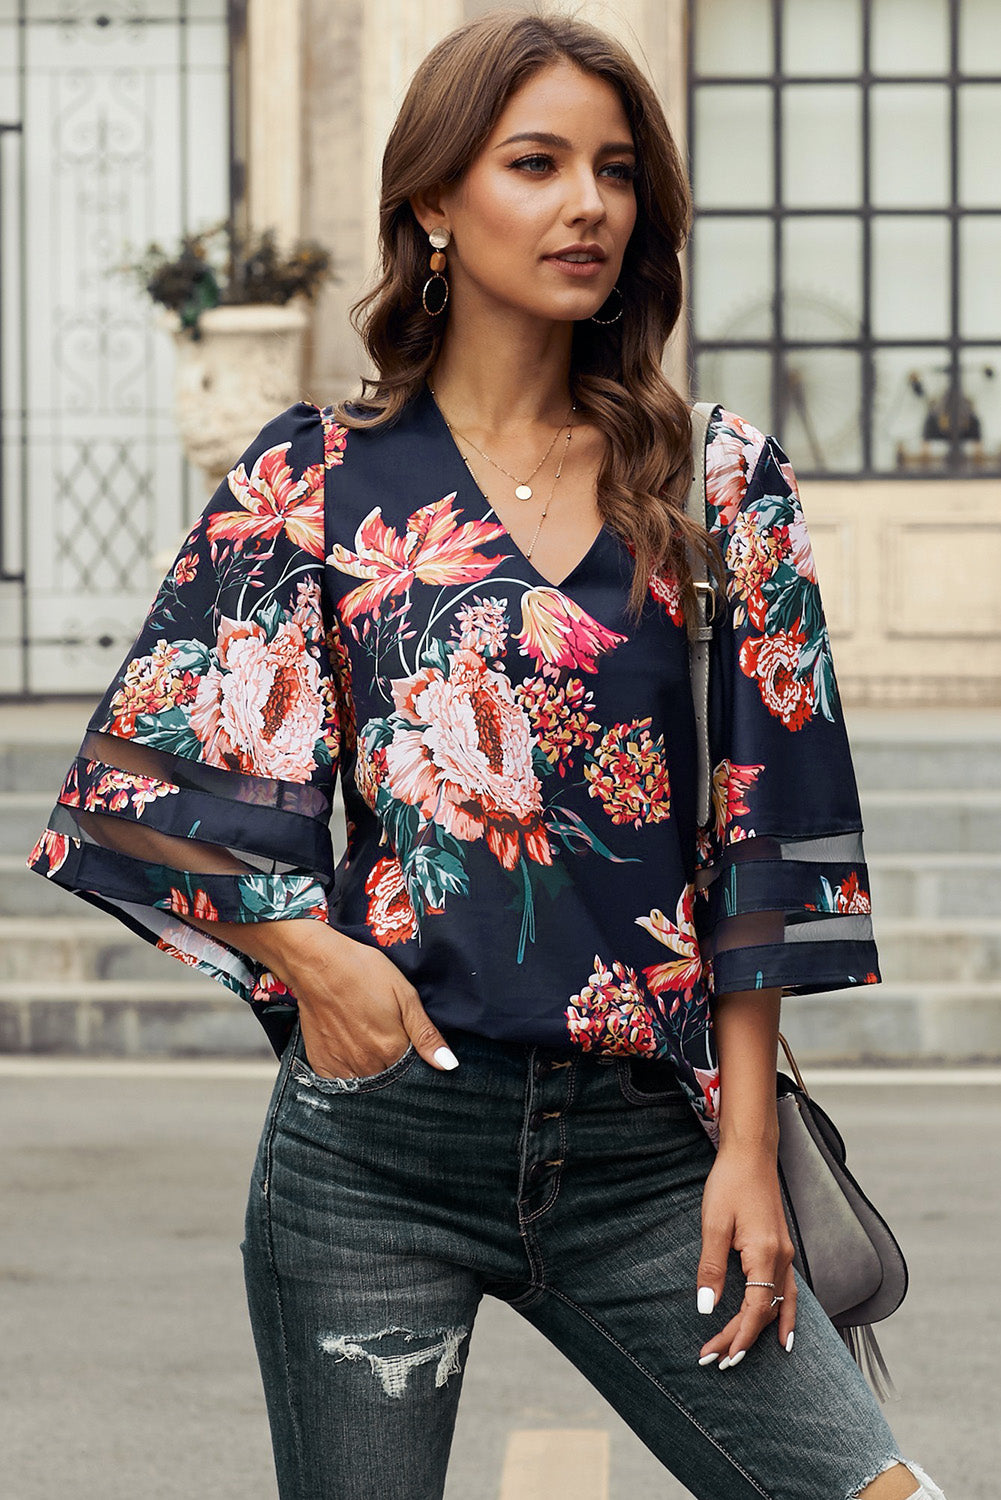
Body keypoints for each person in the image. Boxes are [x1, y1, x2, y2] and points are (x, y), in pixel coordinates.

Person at [28, 11, 948, 1500]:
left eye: (614, 171)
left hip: (652, 1148)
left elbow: (767, 829)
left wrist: (746, 1151)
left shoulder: (717, 482)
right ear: (435, 205)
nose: (587, 203)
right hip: (374, 1153)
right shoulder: (311, 477)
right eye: (535, 163)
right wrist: (311, 958)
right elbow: (142, 783)